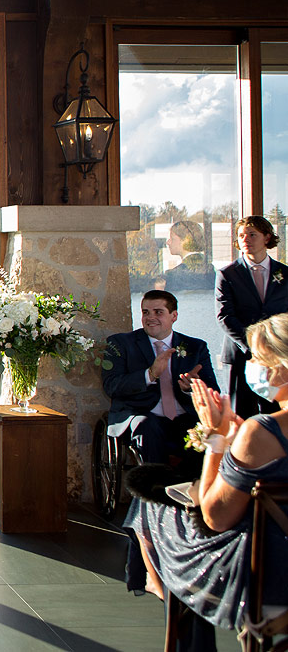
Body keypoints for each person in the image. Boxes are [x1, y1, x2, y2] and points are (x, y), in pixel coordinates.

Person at [125, 313, 288, 648]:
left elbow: (214, 517)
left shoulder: (264, 432)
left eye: (256, 358)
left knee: (151, 510)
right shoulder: (256, 433)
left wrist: (216, 438)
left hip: (270, 576)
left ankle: (164, 587)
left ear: (281, 368)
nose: (251, 366)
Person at [103, 290, 219, 466]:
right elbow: (111, 386)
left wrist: (191, 388)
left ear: (174, 316)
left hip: (183, 416)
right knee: (148, 426)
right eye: (145, 312)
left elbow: (213, 391)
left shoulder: (196, 347)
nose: (150, 318)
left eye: (158, 312)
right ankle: (154, 489)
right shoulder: (121, 344)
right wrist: (150, 374)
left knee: (205, 430)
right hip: (142, 414)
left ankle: (195, 488)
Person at [216, 215, 288, 418]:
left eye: (251, 234)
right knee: (241, 415)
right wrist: (253, 346)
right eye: (241, 235)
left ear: (266, 237)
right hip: (241, 355)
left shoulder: (285, 273)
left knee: (276, 415)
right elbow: (224, 317)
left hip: (277, 357)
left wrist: (276, 346)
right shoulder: (227, 274)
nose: (245, 239)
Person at [164, 220, 215, 293]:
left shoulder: (175, 275)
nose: (168, 242)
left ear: (185, 240)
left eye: (172, 238)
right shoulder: (212, 270)